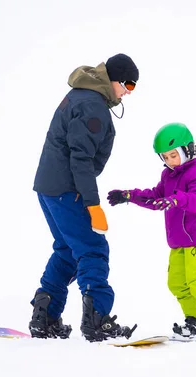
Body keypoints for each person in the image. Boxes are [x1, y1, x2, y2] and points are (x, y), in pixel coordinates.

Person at [30, 53, 139, 342]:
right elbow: (81, 160)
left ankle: (45, 316)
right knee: (92, 249)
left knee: (67, 250)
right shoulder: (93, 107)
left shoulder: (81, 95)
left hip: (49, 188)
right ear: (112, 78)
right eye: (127, 83)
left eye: (134, 86)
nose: (128, 91)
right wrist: (93, 204)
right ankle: (97, 320)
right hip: (67, 190)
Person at [107, 122, 196, 338]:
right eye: (165, 157)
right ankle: (194, 321)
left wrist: (176, 199)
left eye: (174, 155)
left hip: (195, 236)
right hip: (178, 239)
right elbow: (155, 196)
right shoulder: (169, 176)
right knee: (177, 282)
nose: (170, 161)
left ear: (188, 150)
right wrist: (129, 196)